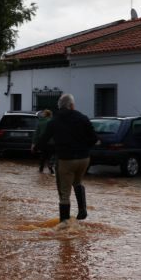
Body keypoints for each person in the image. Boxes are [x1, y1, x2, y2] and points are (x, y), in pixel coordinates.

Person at [33, 93, 98, 223]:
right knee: (78, 182)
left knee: (64, 194)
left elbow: (44, 139)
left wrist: (36, 148)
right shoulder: (83, 118)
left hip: (66, 160)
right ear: (72, 105)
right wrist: (85, 148)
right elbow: (94, 139)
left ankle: (64, 224)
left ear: (60, 106)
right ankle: (82, 209)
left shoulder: (54, 121)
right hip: (84, 159)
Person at [34, 109, 54, 174]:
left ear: (45, 114)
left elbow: (36, 133)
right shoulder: (52, 121)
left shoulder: (40, 122)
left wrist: (33, 143)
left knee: (43, 155)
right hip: (51, 142)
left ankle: (41, 169)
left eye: (43, 113)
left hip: (43, 142)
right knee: (50, 156)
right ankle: (51, 168)